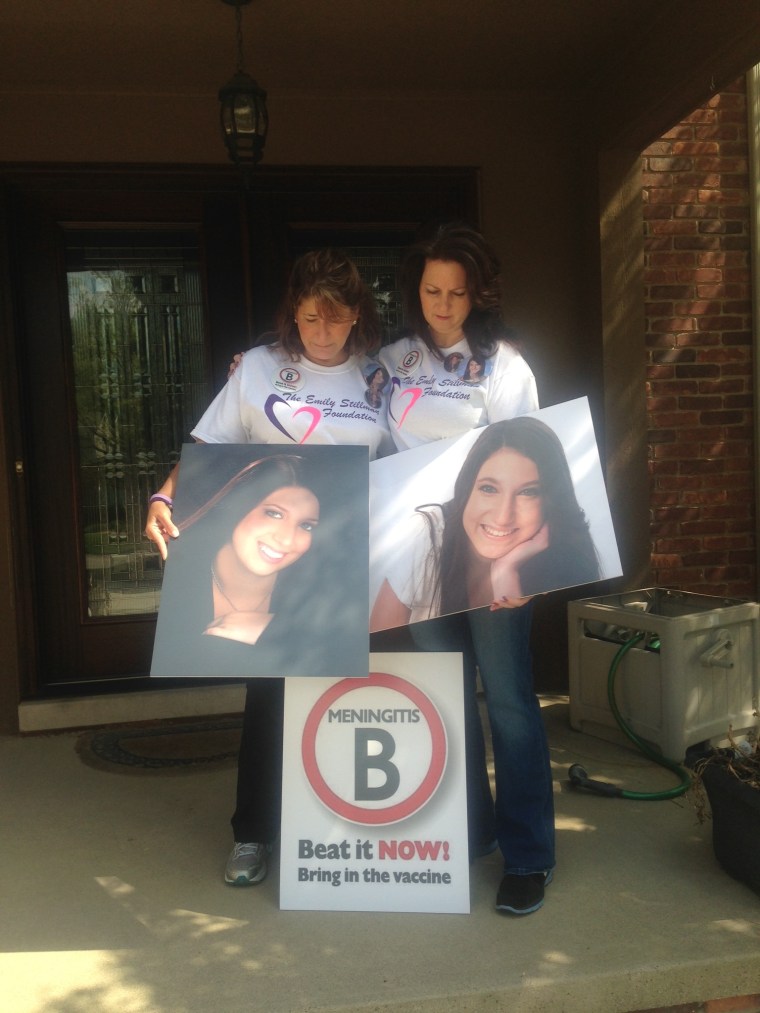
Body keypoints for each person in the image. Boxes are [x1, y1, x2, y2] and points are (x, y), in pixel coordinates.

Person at [145, 248, 391, 887]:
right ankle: (252, 833)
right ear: (295, 314)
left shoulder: (379, 377)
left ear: (356, 315)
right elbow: (209, 446)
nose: (322, 332)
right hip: (280, 559)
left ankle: (335, 833)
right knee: (270, 695)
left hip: (353, 560)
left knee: (349, 693)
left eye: (335, 320)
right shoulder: (257, 369)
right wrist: (164, 496)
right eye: (311, 319)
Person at [377, 221, 556, 915]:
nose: (443, 304)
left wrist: (515, 567)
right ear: (415, 289)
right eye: (431, 290)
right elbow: (327, 385)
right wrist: (258, 362)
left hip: (492, 561)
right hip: (419, 560)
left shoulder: (505, 365)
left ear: (477, 293)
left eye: (456, 292)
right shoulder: (389, 361)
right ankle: (472, 832)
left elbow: (528, 464)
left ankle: (529, 855)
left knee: (508, 703)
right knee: (447, 701)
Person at [370, 416, 600, 629]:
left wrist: (505, 572)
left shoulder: (565, 560)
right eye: (488, 489)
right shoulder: (429, 531)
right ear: (466, 488)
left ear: (552, 502)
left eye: (528, 492)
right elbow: (380, 642)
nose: (502, 517)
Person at [151, 452, 367, 677]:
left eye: (306, 526)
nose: (285, 539)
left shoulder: (321, 590)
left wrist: (275, 629)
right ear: (238, 508)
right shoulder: (181, 575)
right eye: (273, 513)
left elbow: (347, 652)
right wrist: (161, 498)